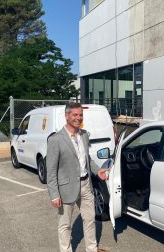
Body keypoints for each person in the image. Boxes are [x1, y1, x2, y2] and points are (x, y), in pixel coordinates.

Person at [47, 102, 110, 252]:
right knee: (65, 224)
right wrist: (54, 194)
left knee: (89, 220)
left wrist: (97, 171)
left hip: (86, 184)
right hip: (66, 188)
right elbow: (51, 170)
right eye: (75, 115)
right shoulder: (56, 139)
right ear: (66, 116)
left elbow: (86, 158)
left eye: (80, 115)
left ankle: (91, 248)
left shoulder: (84, 135)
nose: (78, 118)